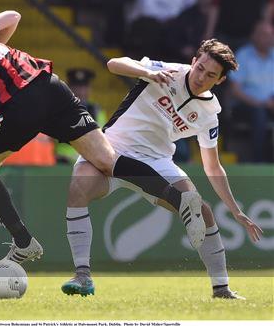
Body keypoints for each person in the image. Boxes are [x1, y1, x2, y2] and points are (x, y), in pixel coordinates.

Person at [0, 11, 210, 263]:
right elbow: (12, 17)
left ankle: (23, 242)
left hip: (20, 102)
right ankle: (184, 202)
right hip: (49, 84)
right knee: (107, 160)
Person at [60, 39, 263, 299]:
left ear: (221, 80)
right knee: (79, 186)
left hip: (156, 162)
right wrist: (148, 73)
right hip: (112, 148)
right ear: (194, 61)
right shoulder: (166, 71)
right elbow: (113, 64)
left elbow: (212, 165)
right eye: (200, 68)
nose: (201, 77)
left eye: (211, 75)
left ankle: (221, 289)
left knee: (202, 211)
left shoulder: (210, 113)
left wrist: (236, 211)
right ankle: (82, 275)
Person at [231, 20, 274, 162]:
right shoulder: (243, 55)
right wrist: (260, 103)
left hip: (271, 103)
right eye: (263, 34)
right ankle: (258, 161)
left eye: (270, 35)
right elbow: (234, 91)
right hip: (248, 105)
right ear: (254, 36)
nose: (267, 38)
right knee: (259, 113)